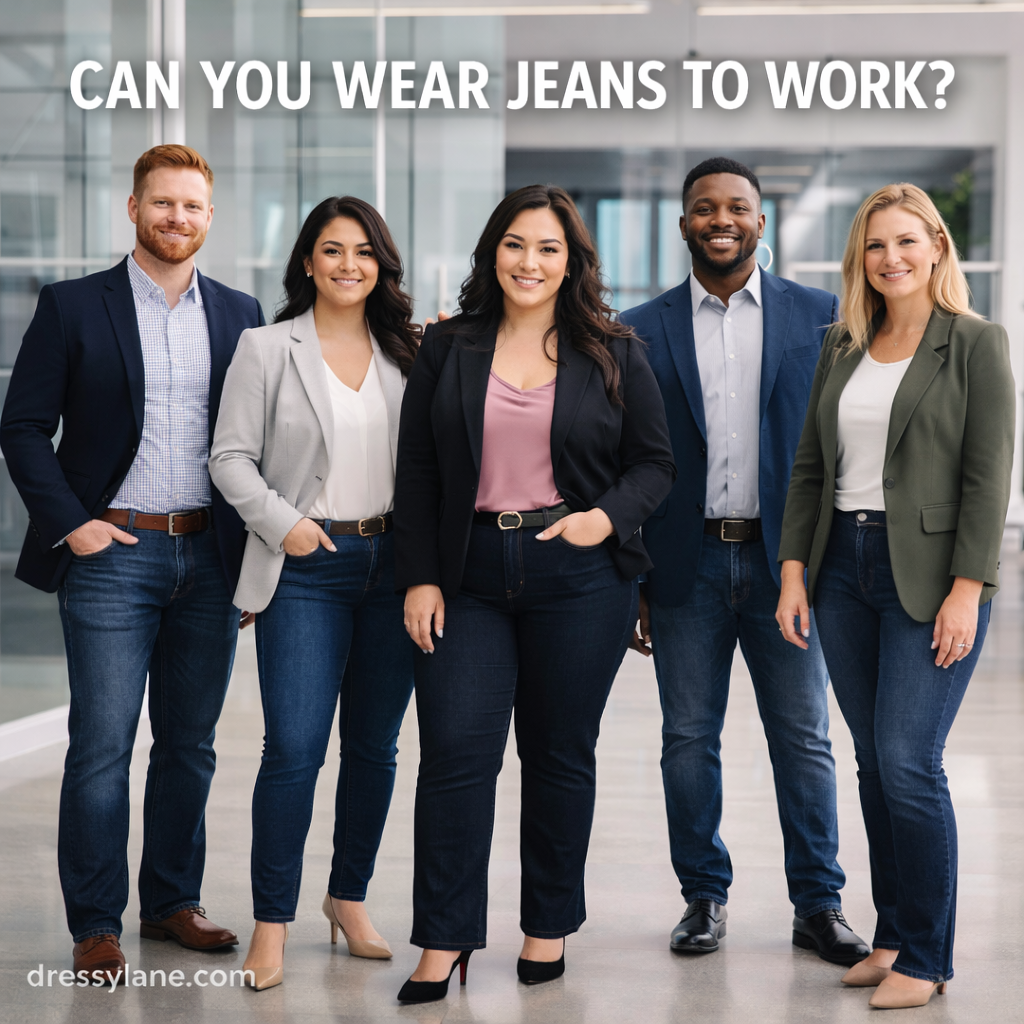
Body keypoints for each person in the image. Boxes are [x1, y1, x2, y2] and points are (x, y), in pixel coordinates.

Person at [393, 184, 675, 1003]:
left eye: (548, 248)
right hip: (467, 573)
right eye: (515, 244)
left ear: (572, 261)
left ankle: (546, 927)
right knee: (454, 757)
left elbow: (654, 465)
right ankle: (443, 940)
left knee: (558, 756)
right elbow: (416, 470)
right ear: (493, 253)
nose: (530, 261)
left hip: (578, 577)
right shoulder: (447, 346)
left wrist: (602, 521)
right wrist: (419, 575)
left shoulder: (615, 349)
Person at [0, 145, 264, 980]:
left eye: (191, 206)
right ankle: (94, 924)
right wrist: (72, 525)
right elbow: (21, 426)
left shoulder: (240, 312)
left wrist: (256, 556)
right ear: (134, 208)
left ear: (210, 218)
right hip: (113, 550)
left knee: (189, 744)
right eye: (162, 204)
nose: (176, 218)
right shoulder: (75, 305)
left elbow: (259, 441)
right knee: (103, 745)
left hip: (211, 557)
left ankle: (172, 905)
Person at [619, 157, 869, 965]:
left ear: (761, 223)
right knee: (688, 738)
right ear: (683, 224)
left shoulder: (823, 319)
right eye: (704, 207)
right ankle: (703, 896)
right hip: (684, 568)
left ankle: (818, 904)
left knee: (803, 738)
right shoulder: (639, 329)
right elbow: (622, 460)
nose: (721, 218)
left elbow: (842, 444)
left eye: (737, 207)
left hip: (787, 569)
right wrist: (636, 577)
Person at [776, 183, 1014, 1009]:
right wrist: (795, 571)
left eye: (908, 241)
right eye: (877, 246)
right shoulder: (841, 342)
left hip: (933, 577)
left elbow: (988, 480)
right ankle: (890, 933)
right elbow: (811, 467)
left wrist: (967, 589)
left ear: (937, 248)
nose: (892, 258)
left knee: (910, 763)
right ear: (860, 259)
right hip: (842, 568)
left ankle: (930, 954)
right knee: (873, 764)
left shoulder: (977, 344)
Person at [209, 196, 419, 991]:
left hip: (391, 565)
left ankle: (348, 898)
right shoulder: (266, 348)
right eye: (332, 250)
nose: (348, 265)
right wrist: (285, 524)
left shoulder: (409, 351)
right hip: (305, 566)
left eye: (364, 252)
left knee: (375, 747)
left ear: (381, 264)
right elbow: (229, 458)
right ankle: (273, 924)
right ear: (306, 260)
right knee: (293, 749)